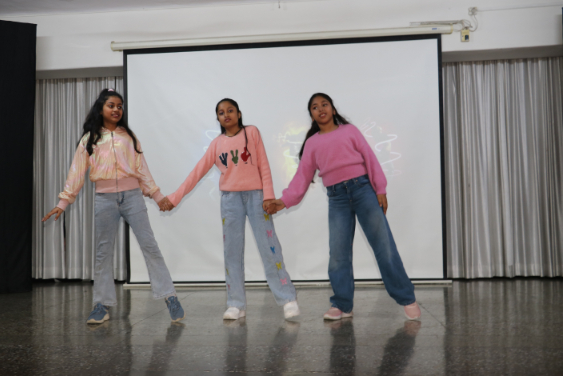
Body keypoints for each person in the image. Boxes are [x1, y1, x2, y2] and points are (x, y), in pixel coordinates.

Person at [268, 93, 421, 321]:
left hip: (363, 191)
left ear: (332, 109)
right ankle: (342, 305)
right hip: (337, 198)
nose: (321, 109)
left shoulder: (350, 131)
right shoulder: (312, 143)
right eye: (315, 107)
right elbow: (302, 177)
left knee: (384, 247)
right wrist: (283, 201)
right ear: (311, 115)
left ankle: (407, 298)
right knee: (338, 254)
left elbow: (370, 158)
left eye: (325, 104)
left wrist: (380, 189)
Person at [42, 88, 184, 324]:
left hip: (132, 197)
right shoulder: (89, 139)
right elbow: (76, 172)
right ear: (101, 109)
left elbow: (141, 169)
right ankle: (101, 304)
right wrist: (63, 202)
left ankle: (170, 297)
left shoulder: (129, 137)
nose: (117, 109)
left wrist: (158, 196)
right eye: (111, 106)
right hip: (104, 199)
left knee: (150, 246)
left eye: (120, 106)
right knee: (103, 252)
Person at [159, 98, 300, 320]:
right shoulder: (216, 144)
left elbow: (263, 165)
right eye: (221, 112)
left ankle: (288, 299)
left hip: (257, 197)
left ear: (239, 114)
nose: (226, 115)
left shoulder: (251, 132)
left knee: (269, 247)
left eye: (230, 110)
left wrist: (269, 197)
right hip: (230, 201)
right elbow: (197, 172)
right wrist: (175, 198)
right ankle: (236, 304)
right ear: (218, 118)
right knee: (232, 252)